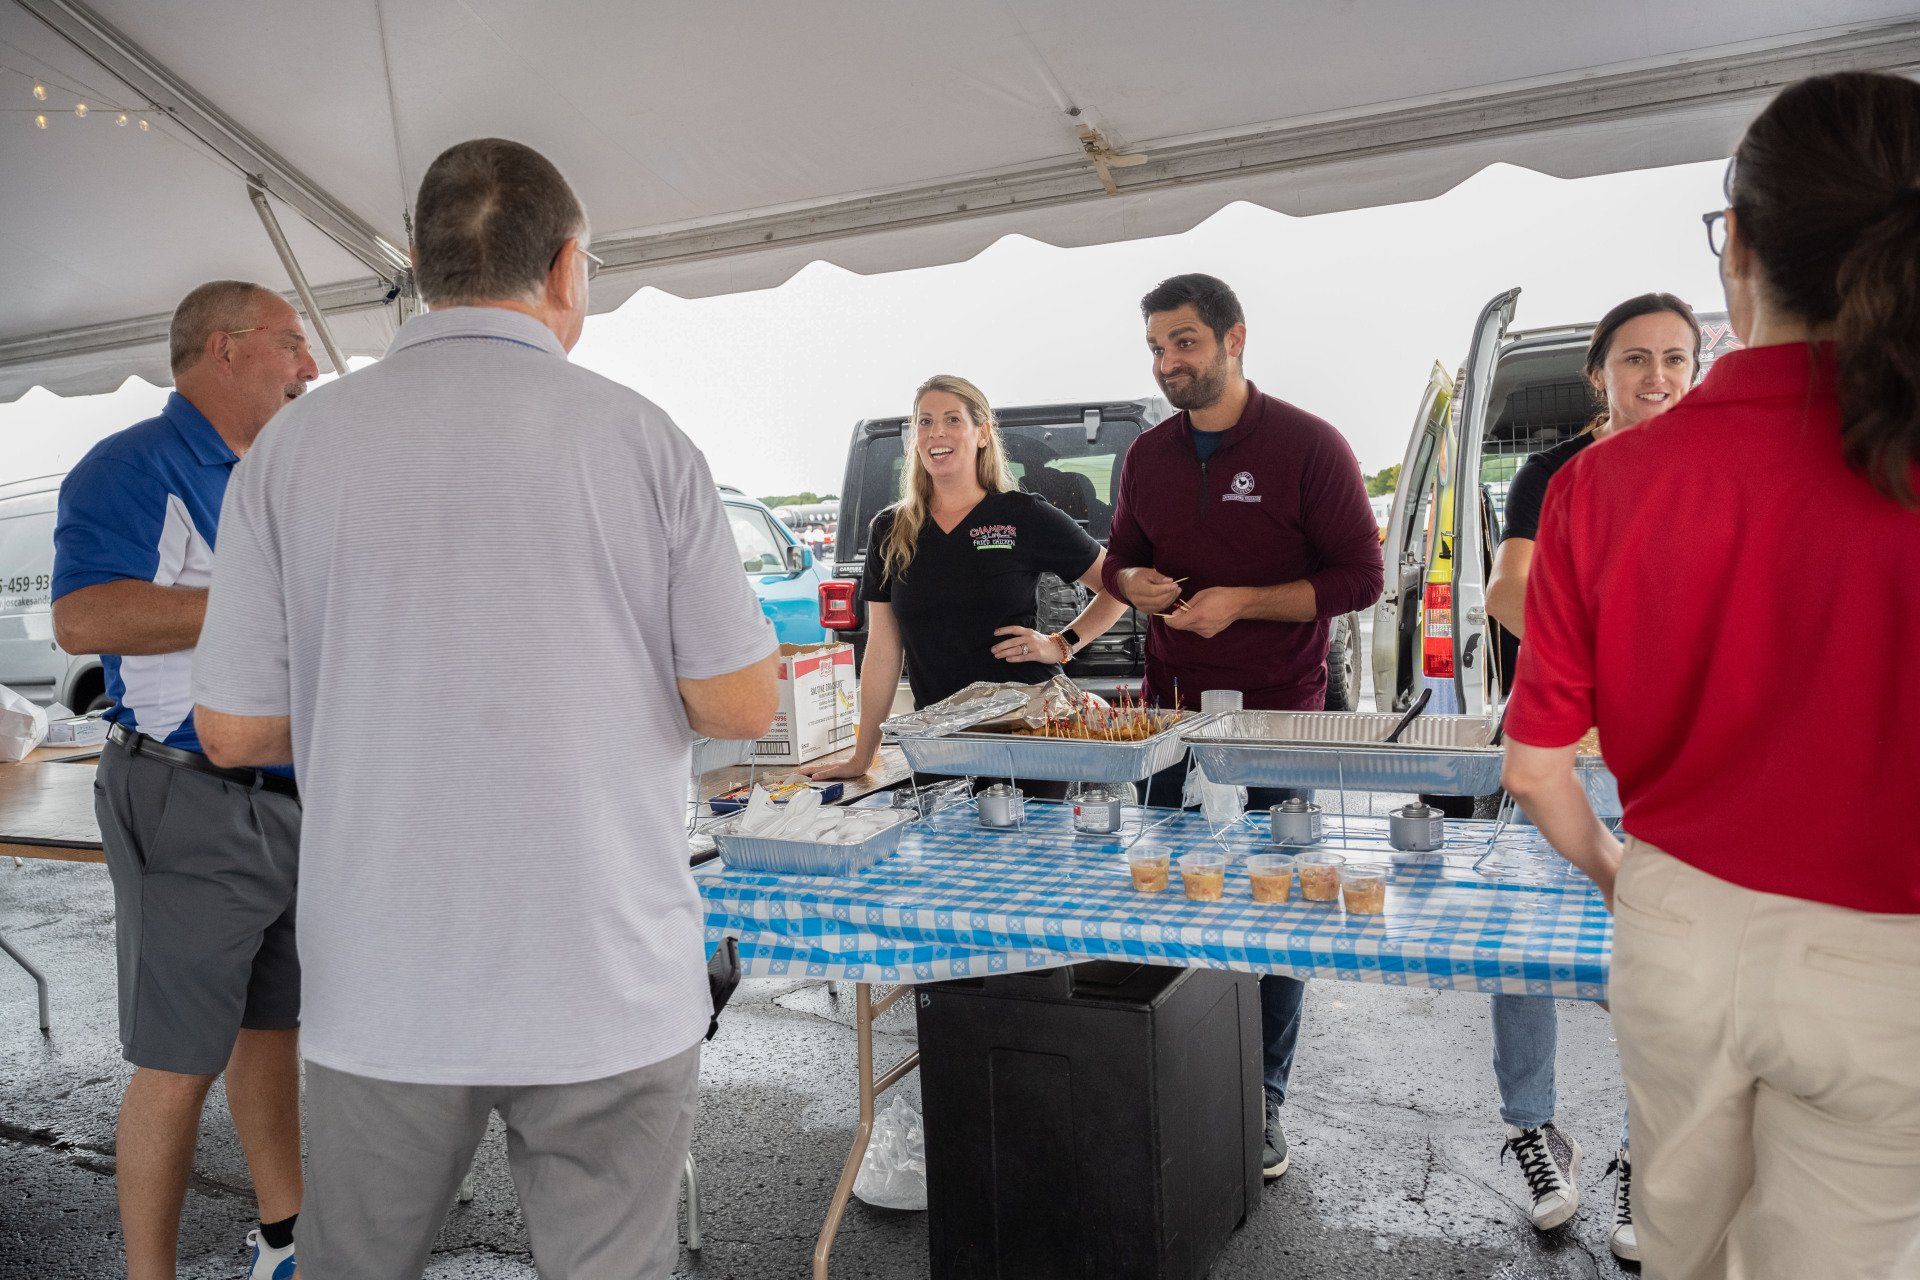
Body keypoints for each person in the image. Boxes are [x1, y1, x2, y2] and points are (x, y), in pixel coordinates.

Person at [190, 138, 780, 1280]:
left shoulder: (290, 449)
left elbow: (232, 727)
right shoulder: (640, 436)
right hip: (603, 967)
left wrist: (386, 695)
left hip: (383, 978)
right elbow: (742, 698)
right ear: (567, 270)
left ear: (417, 262)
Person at [1502, 71, 1920, 1280]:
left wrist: (1617, 872)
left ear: (1735, 246)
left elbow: (1536, 768)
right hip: (1889, 955)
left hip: (1678, 919)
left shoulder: (1605, 484)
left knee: (1680, 1248)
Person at [51, 280, 317, 1280]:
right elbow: (85, 620)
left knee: (269, 1028)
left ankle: (289, 1242)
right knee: (177, 1061)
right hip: (191, 792)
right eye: (293, 342)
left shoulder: (278, 469)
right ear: (227, 347)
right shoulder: (132, 464)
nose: (311, 364)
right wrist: (255, 600)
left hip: (287, 797)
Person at [1100, 274, 1383, 1180]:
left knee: (1276, 918)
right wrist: (1127, 585)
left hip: (1276, 720)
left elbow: (1361, 578)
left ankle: (1262, 1098)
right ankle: (1176, 1077)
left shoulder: (1308, 445)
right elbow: (1118, 563)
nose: (1168, 362)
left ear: (1234, 339)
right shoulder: (1146, 455)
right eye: (1156, 346)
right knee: (1168, 898)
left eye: (1184, 342)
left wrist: (1249, 605)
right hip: (1167, 719)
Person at [1478, 292, 1703, 1261]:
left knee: (1647, 962)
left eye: (1676, 359)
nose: (1657, 376)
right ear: (1599, 374)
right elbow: (1508, 590)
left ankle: (1636, 1148)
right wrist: (1609, 676)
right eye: (1637, 358)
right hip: (1566, 745)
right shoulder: (1553, 469)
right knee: (1521, 946)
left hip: (1669, 759)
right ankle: (1537, 1129)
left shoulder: (1711, 469)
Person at [804, 374, 1130, 783]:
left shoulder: (1022, 514)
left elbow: (1118, 587)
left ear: (982, 433)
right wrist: (862, 755)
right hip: (939, 741)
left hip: (1026, 736)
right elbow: (884, 650)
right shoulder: (890, 529)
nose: (936, 432)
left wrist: (1061, 645)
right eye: (924, 422)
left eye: (952, 419)